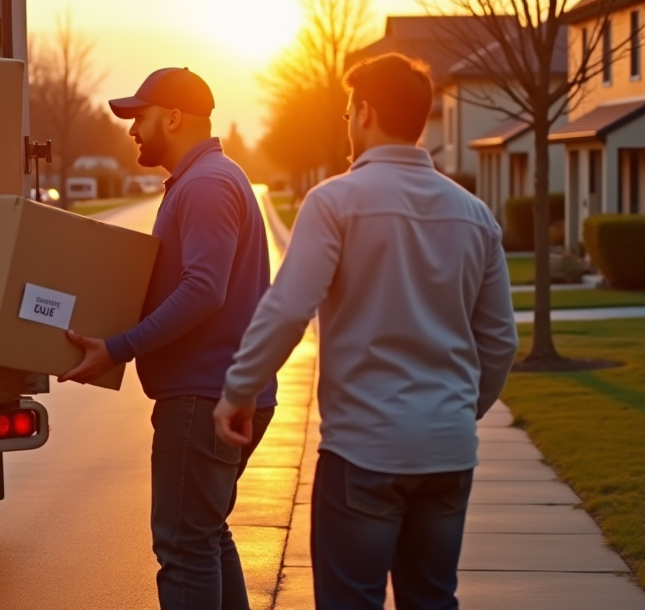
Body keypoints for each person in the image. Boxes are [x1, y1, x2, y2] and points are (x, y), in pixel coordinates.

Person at [214, 54, 519, 610]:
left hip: (364, 450)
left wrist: (238, 391)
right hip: (448, 448)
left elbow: (287, 308)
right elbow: (500, 341)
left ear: (368, 113)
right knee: (433, 599)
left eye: (349, 111)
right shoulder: (475, 215)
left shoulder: (335, 202)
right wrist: (456, 410)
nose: (347, 123)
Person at [60, 67, 278, 610]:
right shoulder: (211, 179)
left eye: (140, 116)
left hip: (202, 399)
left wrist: (117, 347)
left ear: (175, 118)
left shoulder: (206, 185)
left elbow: (205, 290)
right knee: (206, 535)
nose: (132, 129)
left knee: (184, 547)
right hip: (217, 393)